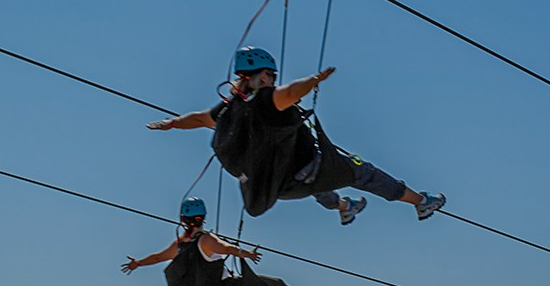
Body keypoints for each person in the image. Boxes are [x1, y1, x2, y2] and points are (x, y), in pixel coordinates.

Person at [147, 47, 446, 222]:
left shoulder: (228, 110)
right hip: (307, 173)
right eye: (270, 75)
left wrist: (172, 123)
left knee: (314, 177)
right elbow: (290, 93)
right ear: (260, 76)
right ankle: (421, 202)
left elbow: (199, 119)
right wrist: (314, 80)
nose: (272, 79)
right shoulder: (267, 101)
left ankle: (344, 207)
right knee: (362, 172)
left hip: (279, 187)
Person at [122, 197, 337, 286]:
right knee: (277, 284)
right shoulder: (206, 239)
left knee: (252, 284)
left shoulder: (180, 244)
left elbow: (159, 257)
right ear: (203, 217)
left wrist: (137, 264)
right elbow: (225, 248)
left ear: (182, 219)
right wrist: (247, 254)